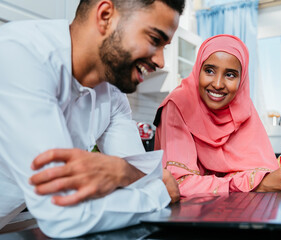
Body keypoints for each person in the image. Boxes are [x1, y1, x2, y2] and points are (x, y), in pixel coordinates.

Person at [0, 0, 183, 238]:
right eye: (154, 40)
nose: (160, 62)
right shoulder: (20, 53)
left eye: (164, 48)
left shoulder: (113, 95)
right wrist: (154, 192)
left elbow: (138, 178)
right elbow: (63, 213)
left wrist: (125, 172)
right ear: (105, 16)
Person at [153, 34, 281, 198]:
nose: (217, 84)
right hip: (190, 216)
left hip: (234, 210)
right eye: (209, 71)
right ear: (198, 69)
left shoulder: (243, 109)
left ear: (242, 79)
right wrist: (256, 183)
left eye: (230, 74)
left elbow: (263, 170)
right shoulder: (178, 105)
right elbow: (178, 184)